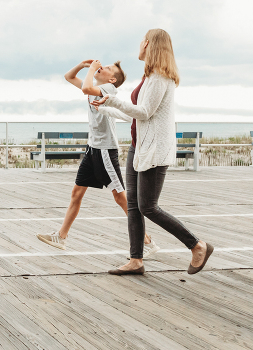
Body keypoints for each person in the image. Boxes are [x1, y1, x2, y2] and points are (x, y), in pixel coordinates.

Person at [92, 29, 214, 275]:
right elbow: (133, 114)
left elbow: (145, 112)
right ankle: (136, 260)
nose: (139, 44)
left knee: (148, 206)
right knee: (135, 206)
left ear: (147, 44)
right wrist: (105, 108)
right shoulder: (150, 77)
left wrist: (111, 101)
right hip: (139, 148)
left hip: (154, 151)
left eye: (141, 40)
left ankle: (198, 245)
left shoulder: (160, 77)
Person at [37, 59, 158, 258]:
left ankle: (146, 241)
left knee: (120, 198)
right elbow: (69, 77)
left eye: (108, 68)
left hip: (105, 151)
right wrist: (81, 66)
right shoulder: (96, 87)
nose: (103, 67)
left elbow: (85, 89)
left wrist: (92, 69)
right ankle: (61, 236)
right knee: (76, 193)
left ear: (111, 78)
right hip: (92, 149)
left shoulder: (108, 89)